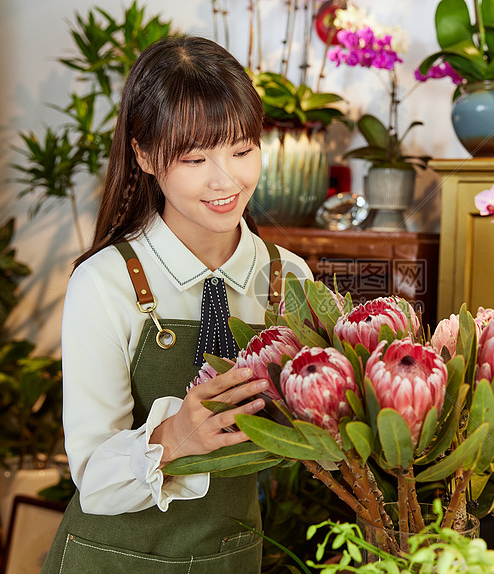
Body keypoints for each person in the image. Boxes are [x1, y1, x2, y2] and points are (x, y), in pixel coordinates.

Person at [41, 36, 312, 573]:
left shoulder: (290, 280)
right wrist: (172, 438)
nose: (226, 180)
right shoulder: (104, 283)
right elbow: (92, 476)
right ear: (143, 154)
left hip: (229, 559)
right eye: (194, 158)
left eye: (241, 150)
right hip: (110, 560)